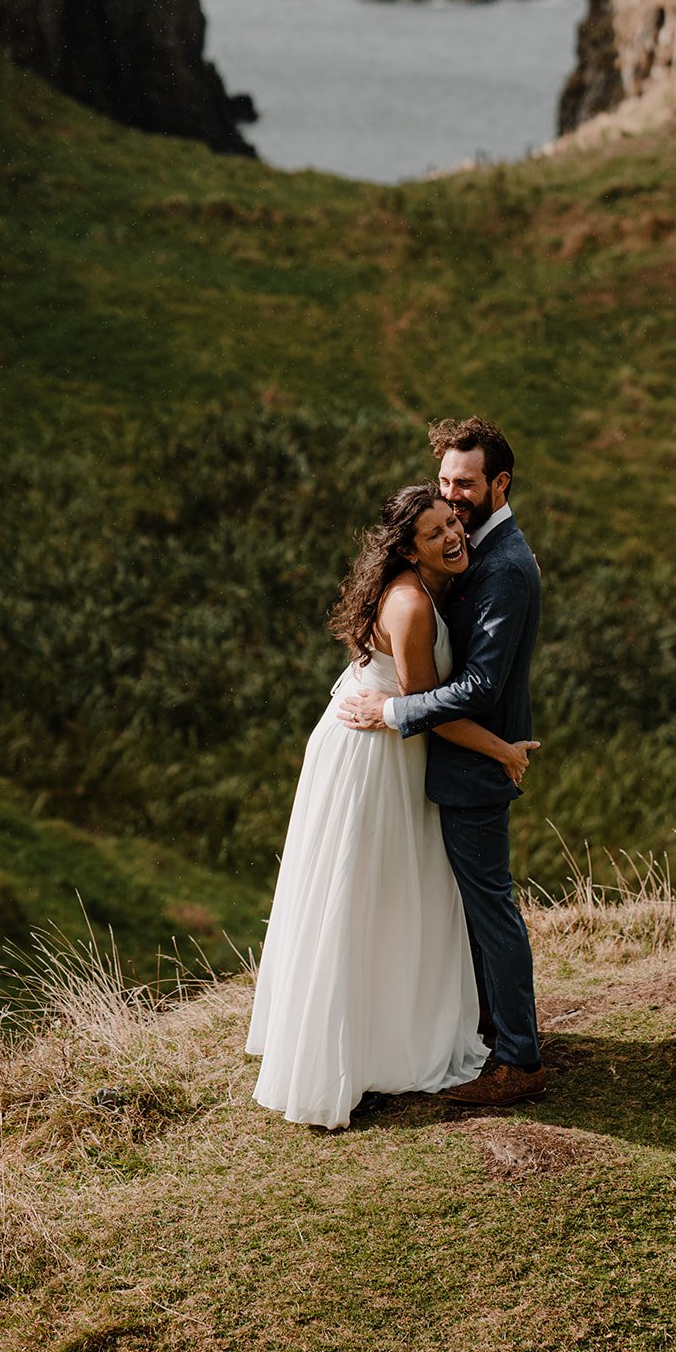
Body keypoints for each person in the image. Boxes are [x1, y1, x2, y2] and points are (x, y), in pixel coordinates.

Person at [245, 483, 536, 1130]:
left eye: (451, 523)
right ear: (407, 548)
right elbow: (422, 710)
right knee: (363, 900)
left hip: (386, 753)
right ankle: (355, 1055)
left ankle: (382, 1034)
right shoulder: (410, 606)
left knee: (386, 900)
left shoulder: (432, 586)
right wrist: (500, 750)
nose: (451, 535)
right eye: (434, 533)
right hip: (371, 762)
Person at [339, 417, 546, 1108]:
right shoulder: (464, 556)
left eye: (465, 485)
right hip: (447, 761)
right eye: (445, 484)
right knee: (463, 908)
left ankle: (518, 1059)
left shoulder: (506, 566)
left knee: (490, 909)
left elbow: (481, 686)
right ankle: (485, 1028)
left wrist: (392, 712)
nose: (453, 500)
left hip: (470, 769)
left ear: (499, 483)